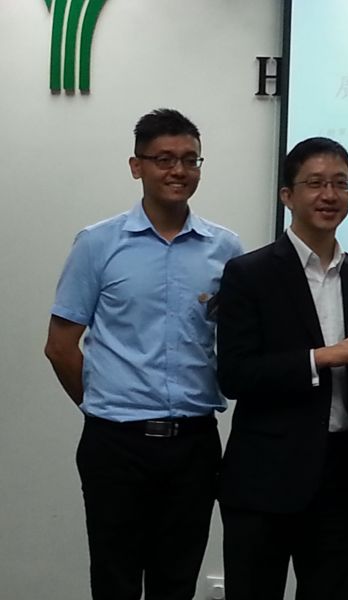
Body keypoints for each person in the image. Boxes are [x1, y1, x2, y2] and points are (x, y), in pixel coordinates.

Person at [44, 108, 244, 600]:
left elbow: (239, 339)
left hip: (194, 444)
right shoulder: (98, 244)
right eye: (164, 159)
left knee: (176, 581)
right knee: (115, 580)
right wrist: (104, 406)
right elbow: (60, 345)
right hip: (116, 444)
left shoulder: (226, 249)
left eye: (190, 160)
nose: (179, 171)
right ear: (137, 166)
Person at [216, 137, 348, 600]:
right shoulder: (249, 274)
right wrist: (322, 356)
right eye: (315, 183)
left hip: (340, 478)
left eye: (340, 183)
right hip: (265, 478)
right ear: (287, 195)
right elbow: (235, 375)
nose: (330, 195)